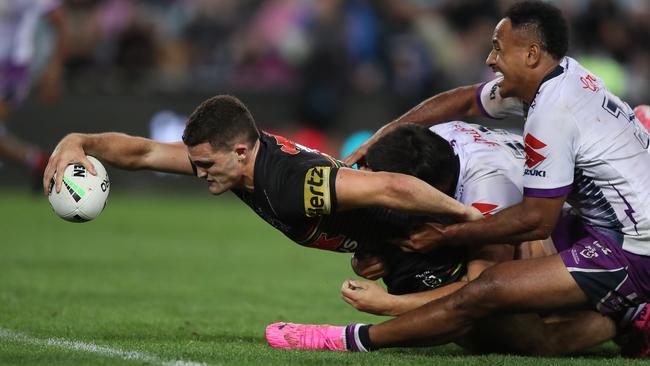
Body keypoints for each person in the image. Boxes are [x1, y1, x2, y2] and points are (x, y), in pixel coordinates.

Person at [265, 0, 650, 357]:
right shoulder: (557, 76)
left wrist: (440, 241)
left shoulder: (549, 117)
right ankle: (627, 314)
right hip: (601, 222)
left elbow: (535, 220)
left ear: (531, 55)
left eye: (499, 48)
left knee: (487, 291)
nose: (490, 58)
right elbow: (465, 100)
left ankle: (347, 339)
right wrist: (387, 132)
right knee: (511, 301)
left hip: (633, 249)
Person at [43, 95, 484, 298]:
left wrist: (471, 218)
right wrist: (78, 140)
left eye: (206, 165)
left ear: (239, 152)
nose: (199, 173)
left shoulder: (289, 185)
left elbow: (391, 186)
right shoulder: (235, 163)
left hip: (421, 244)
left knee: (487, 324)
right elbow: (144, 152)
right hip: (386, 249)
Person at [1, 0, 67, 187]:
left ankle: (39, 162)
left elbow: (60, 21)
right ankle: (39, 162)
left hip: (12, 68)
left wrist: (54, 70)